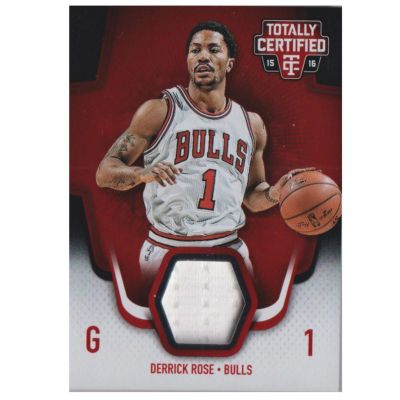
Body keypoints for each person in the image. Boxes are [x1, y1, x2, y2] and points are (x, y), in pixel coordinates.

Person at [96, 21, 311, 283]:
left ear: (230, 63)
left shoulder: (251, 124)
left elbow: (252, 197)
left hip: (228, 247)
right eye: (195, 50)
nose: (203, 56)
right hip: (166, 246)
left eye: (213, 49)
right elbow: (104, 173)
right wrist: (141, 174)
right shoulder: (160, 111)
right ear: (187, 60)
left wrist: (274, 194)